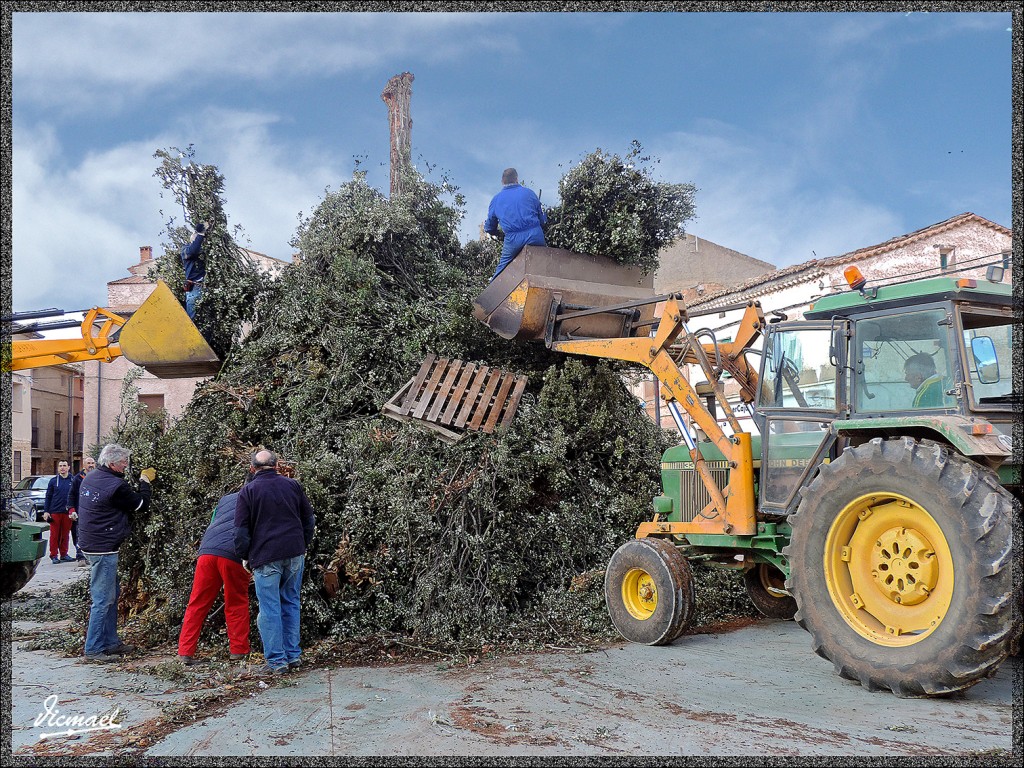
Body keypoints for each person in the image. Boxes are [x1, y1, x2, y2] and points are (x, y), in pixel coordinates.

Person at [234, 450, 315, 676]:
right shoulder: (293, 486)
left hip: (266, 556)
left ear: (252, 469)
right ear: (277, 465)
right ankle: (294, 655)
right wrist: (302, 544)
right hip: (294, 553)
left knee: (270, 608)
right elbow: (309, 519)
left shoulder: (248, 492)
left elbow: (241, 532)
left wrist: (245, 556)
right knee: (290, 601)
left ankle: (277, 661)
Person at [77, 443, 155, 662]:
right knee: (103, 599)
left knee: (110, 596)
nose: (126, 466)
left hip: (91, 543)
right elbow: (140, 505)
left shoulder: (92, 477)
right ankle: (93, 650)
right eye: (123, 463)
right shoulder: (114, 486)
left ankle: (110, 643)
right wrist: (145, 483)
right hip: (103, 548)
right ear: (112, 463)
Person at [177, 482, 253, 666]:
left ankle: (185, 652)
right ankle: (239, 651)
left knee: (197, 602)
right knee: (236, 601)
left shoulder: (225, 499)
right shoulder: (256, 499)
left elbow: (213, 521)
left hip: (207, 552)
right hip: (233, 554)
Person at [484, 168, 547, 281]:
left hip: (513, 239)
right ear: (517, 179)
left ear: (502, 182)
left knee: (501, 271)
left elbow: (489, 227)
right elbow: (542, 220)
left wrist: (498, 234)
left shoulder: (496, 199)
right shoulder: (529, 193)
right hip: (535, 234)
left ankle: (490, 296)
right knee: (544, 264)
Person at [43, 461, 75, 564]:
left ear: (68, 467)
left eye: (64, 466)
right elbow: (48, 497)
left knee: (65, 535)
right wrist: (46, 511)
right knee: (54, 535)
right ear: (58, 468)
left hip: (68, 512)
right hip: (55, 512)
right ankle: (53, 555)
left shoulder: (73, 480)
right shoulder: (53, 481)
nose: (62, 468)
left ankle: (64, 554)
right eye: (60, 466)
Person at [67, 455, 97, 563]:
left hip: (94, 512)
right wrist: (71, 509)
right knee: (79, 534)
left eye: (92, 463)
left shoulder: (97, 477)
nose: (91, 465)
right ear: (84, 465)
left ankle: (91, 556)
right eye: (88, 463)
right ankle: (80, 556)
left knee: (93, 534)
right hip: (80, 512)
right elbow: (71, 495)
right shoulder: (77, 479)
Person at [180, 221, 211, 319]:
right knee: (191, 320)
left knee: (206, 319)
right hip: (193, 288)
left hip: (204, 287)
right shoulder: (185, 250)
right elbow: (193, 250)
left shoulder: (202, 252)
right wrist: (200, 234)